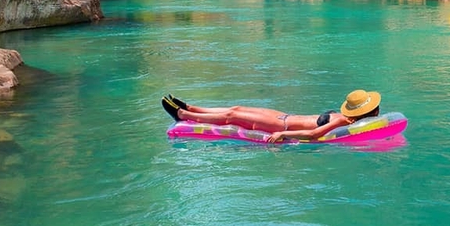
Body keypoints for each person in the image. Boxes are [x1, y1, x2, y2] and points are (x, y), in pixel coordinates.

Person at [161, 89, 382, 143]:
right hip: (283, 117)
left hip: (281, 126)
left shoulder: (344, 120)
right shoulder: (344, 117)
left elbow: (314, 134)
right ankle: (191, 107)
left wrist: (282, 135)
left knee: (232, 116)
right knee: (236, 108)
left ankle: (183, 114)